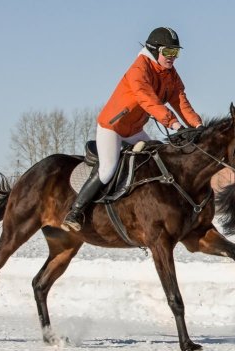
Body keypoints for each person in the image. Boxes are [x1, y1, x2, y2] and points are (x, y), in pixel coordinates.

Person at [61, 27, 203, 232]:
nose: (172, 57)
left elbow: (180, 100)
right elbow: (148, 99)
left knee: (156, 158)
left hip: (134, 130)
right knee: (108, 168)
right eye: (168, 52)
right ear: (155, 50)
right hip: (112, 127)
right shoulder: (139, 69)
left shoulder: (170, 74)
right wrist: (173, 124)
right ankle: (75, 212)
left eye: (176, 52)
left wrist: (197, 125)